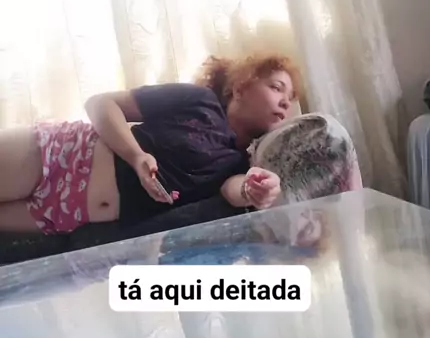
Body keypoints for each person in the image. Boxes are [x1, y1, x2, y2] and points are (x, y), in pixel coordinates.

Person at [0, 54, 300, 234]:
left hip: (66, 212)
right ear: (241, 88)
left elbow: (234, 191)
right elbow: (100, 104)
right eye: (277, 88)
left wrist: (253, 190)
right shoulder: (200, 101)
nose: (286, 103)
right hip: (58, 156)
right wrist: (136, 156)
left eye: (290, 98)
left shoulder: (240, 163)